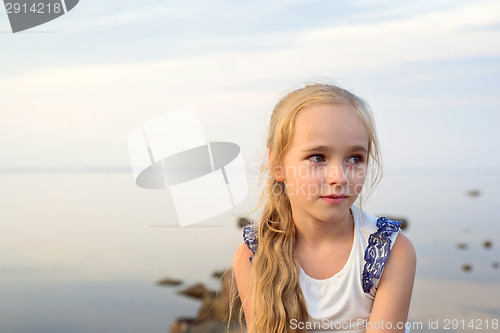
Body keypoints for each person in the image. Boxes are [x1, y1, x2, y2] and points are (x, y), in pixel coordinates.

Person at [232, 83, 416, 333]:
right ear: (277, 164)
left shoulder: (389, 251)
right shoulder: (253, 255)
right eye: (317, 157)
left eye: (354, 158)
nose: (339, 177)